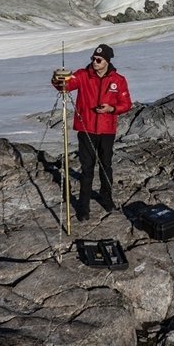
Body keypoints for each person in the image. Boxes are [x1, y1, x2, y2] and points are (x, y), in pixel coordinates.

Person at [51, 44, 132, 221]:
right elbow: (65, 86)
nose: (94, 62)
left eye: (98, 60)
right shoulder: (82, 75)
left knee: (106, 166)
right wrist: (58, 79)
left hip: (107, 130)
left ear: (107, 61)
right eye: (93, 59)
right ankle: (83, 207)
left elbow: (126, 104)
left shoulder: (118, 80)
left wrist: (112, 108)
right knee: (87, 169)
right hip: (86, 128)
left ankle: (106, 199)